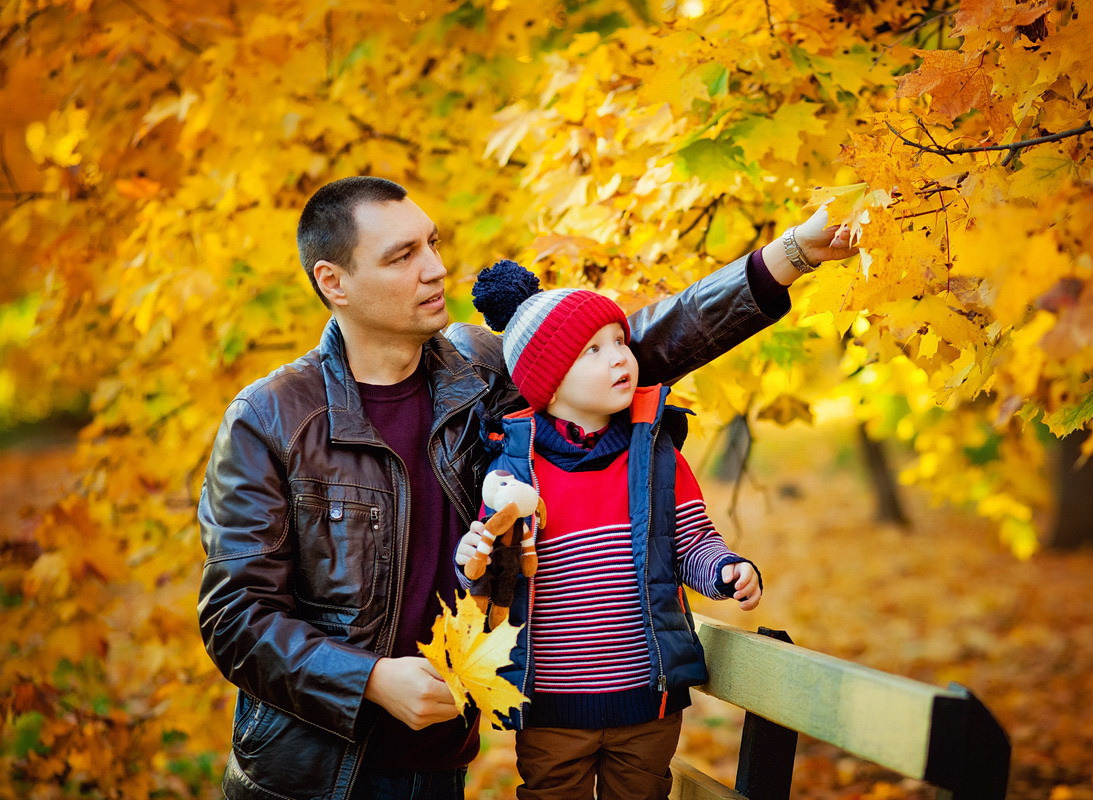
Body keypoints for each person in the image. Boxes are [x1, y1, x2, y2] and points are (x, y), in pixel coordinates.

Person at [196, 175, 855, 800]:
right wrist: (368, 680)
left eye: (433, 243)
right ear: (333, 281)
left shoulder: (480, 371)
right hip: (309, 775)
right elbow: (235, 617)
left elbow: (632, 348)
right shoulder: (270, 418)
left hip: (438, 758)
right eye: (402, 256)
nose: (434, 269)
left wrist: (790, 254)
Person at [456, 260, 764, 800]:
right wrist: (473, 561)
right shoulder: (515, 469)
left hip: (647, 698)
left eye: (619, 340)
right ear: (549, 380)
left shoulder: (655, 453)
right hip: (551, 706)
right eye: (592, 350)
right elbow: (490, 566)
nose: (620, 356)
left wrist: (724, 569)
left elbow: (691, 541)